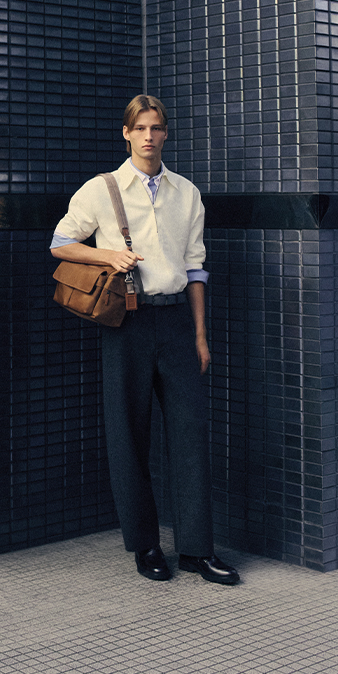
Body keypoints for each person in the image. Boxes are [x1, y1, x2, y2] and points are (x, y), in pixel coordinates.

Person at [50, 94, 240, 585]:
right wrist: (107, 255)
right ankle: (147, 546)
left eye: (157, 128)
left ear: (166, 133)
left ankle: (198, 551)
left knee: (191, 436)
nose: (149, 136)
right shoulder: (102, 189)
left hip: (177, 322)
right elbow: (60, 243)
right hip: (127, 325)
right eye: (140, 128)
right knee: (128, 435)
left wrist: (200, 334)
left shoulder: (187, 193)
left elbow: (196, 267)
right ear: (126, 133)